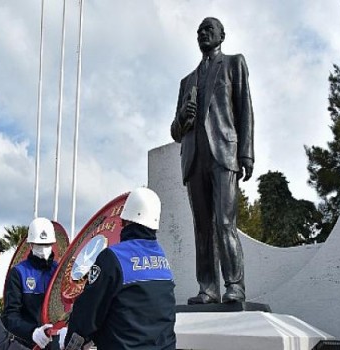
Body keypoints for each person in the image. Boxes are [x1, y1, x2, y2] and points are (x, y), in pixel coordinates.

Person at [170, 17, 254, 304]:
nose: (203, 34)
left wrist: (246, 153)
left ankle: (235, 285)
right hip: (194, 159)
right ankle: (207, 288)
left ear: (222, 35)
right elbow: (175, 132)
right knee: (202, 228)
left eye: (209, 30)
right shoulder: (187, 81)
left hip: (224, 155)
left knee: (225, 222)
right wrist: (183, 117)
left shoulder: (233, 64)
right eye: (199, 32)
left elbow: (244, 110)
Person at [59, 187, 176, 350]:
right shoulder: (162, 258)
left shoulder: (112, 258)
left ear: (124, 221)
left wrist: (70, 340)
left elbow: (88, 311)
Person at [2, 217, 59, 349]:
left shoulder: (58, 271)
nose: (44, 249)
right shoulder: (18, 273)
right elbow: (10, 317)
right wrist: (32, 332)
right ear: (31, 245)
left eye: (47, 245)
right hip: (27, 343)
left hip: (55, 344)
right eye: (40, 245)